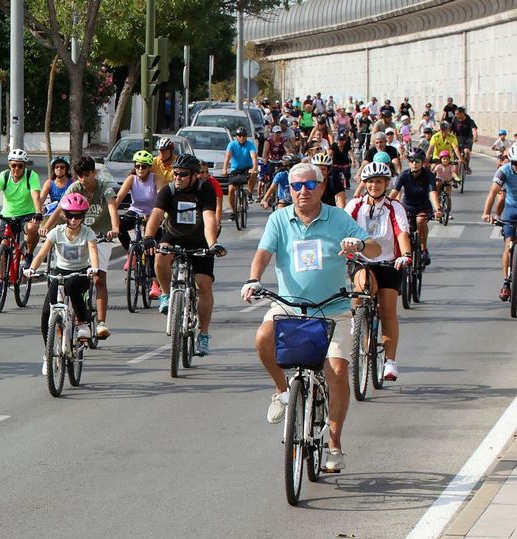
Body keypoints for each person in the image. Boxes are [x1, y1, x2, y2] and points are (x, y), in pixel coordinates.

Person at [244, 161, 381, 473]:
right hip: (290, 307)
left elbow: (373, 248)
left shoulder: (339, 218)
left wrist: (359, 243)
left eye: (309, 185)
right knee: (262, 338)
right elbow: (263, 253)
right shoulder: (279, 218)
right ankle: (282, 392)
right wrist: (253, 279)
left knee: (337, 370)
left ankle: (334, 445)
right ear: (289, 189)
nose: (302, 191)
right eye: (296, 186)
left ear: (321, 187)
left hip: (332, 309)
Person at [144, 154, 225, 354]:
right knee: (160, 255)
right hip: (174, 235)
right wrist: (148, 237)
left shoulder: (205, 190)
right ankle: (165, 295)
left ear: (195, 175)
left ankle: (203, 334)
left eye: (182, 174)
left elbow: (209, 217)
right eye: (175, 173)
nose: (177, 177)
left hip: (200, 239)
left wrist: (212, 244)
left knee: (203, 284)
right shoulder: (169, 190)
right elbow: (156, 214)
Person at [347, 162, 412, 382]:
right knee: (363, 284)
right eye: (370, 181)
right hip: (362, 260)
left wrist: (405, 254)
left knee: (387, 310)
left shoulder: (395, 207)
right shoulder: (355, 205)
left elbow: (402, 233)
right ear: (364, 184)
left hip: (389, 263)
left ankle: (390, 361)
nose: (374, 185)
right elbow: (341, 228)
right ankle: (357, 319)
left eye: (379, 181)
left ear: (386, 184)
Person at [42, 156, 121, 338]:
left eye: (86, 174)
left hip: (100, 237)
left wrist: (115, 228)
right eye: (79, 176)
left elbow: (112, 207)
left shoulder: (104, 187)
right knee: (68, 274)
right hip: (78, 236)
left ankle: (101, 323)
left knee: (99, 278)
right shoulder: (75, 188)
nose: (83, 179)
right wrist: (46, 226)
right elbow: (61, 209)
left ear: (94, 173)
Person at [28, 191, 100, 349]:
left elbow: (93, 252)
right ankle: (48, 352)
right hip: (59, 272)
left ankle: (83, 323)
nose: (73, 220)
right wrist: (31, 268)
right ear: (63, 215)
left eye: (78, 216)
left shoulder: (88, 233)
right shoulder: (56, 232)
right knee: (47, 312)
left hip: (81, 273)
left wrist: (94, 268)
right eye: (70, 215)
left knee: (72, 285)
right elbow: (41, 254)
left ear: (83, 216)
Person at [0, 148, 44, 260]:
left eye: (20, 166)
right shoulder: (3, 176)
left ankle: (29, 255)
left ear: (24, 166)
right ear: (9, 165)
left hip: (28, 214)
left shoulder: (31, 176)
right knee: (3, 247)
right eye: (13, 165)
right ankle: (0, 271)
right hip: (7, 215)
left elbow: (35, 196)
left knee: (32, 228)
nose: (16, 168)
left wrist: (38, 213)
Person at [389, 150, 441, 264]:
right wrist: (384, 205)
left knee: (420, 221)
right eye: (411, 160)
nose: (414, 163)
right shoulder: (404, 175)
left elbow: (432, 192)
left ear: (422, 162)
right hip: (407, 207)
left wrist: (437, 209)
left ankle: (423, 249)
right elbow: (394, 192)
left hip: (423, 206)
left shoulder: (428, 175)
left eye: (417, 161)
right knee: (404, 229)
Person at [483, 146, 517, 302]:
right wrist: (486, 212)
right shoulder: (504, 171)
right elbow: (492, 192)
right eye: (515, 163)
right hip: (511, 209)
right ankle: (506, 282)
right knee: (509, 246)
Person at [224, 127, 259, 216]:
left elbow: (254, 157)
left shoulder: (250, 145)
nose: (242, 137)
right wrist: (224, 169)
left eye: (243, 135)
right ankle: (233, 211)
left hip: (247, 168)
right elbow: (227, 157)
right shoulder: (232, 144)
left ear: (246, 136)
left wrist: (255, 167)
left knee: (253, 174)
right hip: (235, 169)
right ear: (236, 136)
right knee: (231, 190)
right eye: (239, 135)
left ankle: (249, 194)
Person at [453, 107, 479, 173]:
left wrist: (475, 137)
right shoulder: (455, 119)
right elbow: (450, 129)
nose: (456, 115)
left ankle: (466, 166)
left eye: (457, 114)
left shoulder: (469, 121)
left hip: (468, 138)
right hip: (458, 138)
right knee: (456, 153)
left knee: (467, 151)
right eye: (455, 114)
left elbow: (474, 129)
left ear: (462, 113)